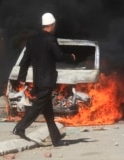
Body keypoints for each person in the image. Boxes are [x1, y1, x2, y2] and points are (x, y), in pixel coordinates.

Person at [12, 12, 76, 146]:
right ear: (51, 25)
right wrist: (71, 57)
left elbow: (25, 60)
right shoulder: (50, 39)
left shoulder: (32, 40)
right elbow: (59, 56)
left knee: (48, 112)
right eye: (54, 25)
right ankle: (20, 128)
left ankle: (56, 139)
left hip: (38, 80)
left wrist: (22, 77)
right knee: (37, 107)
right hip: (47, 81)